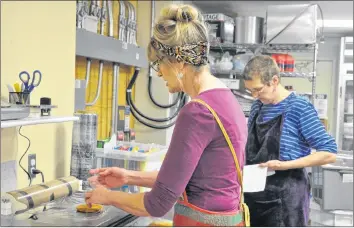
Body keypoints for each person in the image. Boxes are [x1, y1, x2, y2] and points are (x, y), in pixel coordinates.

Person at [85, 4, 249, 226]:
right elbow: (194, 178)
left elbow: (158, 203)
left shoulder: (198, 112)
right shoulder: (226, 100)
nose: (159, 72)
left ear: (180, 63)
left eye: (159, 63)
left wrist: (107, 197)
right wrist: (129, 176)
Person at [242, 55, 337, 227]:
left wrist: (285, 165)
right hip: (255, 195)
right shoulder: (258, 106)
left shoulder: (299, 108)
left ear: (274, 81)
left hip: (287, 200)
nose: (255, 95)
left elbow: (329, 153)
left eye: (258, 89)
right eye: (250, 91)